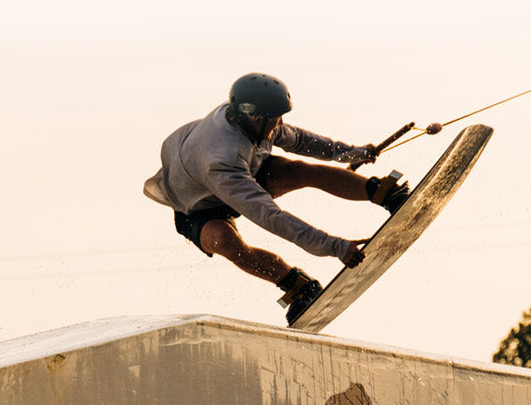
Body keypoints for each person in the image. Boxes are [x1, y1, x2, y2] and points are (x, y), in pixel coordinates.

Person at [143, 73, 413, 323]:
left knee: (299, 171)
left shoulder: (257, 120)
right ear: (255, 117)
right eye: (276, 119)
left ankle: (384, 192)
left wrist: (351, 153)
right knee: (226, 242)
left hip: (242, 170)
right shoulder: (221, 158)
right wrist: (333, 246)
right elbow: (269, 216)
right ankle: (297, 286)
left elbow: (302, 140)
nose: (280, 124)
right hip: (196, 207)